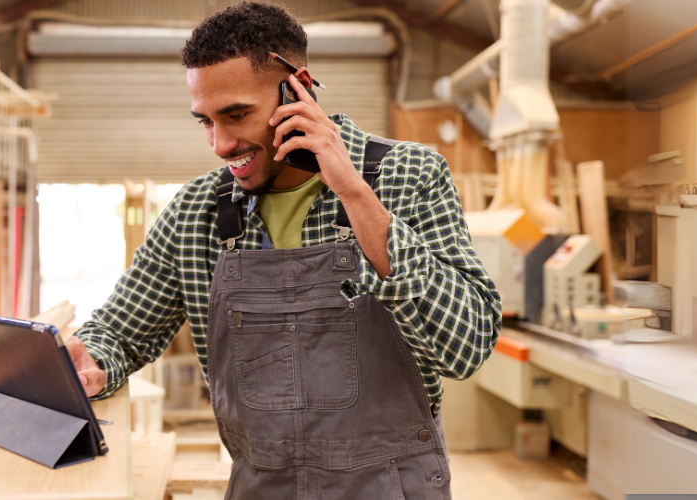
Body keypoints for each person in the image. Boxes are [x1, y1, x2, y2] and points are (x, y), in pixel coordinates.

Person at [66, 2, 501, 497]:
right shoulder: (196, 214)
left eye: (236, 115)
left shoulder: (410, 175)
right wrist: (92, 360)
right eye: (205, 121)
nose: (220, 144)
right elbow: (120, 333)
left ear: (298, 87)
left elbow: (468, 348)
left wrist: (356, 195)